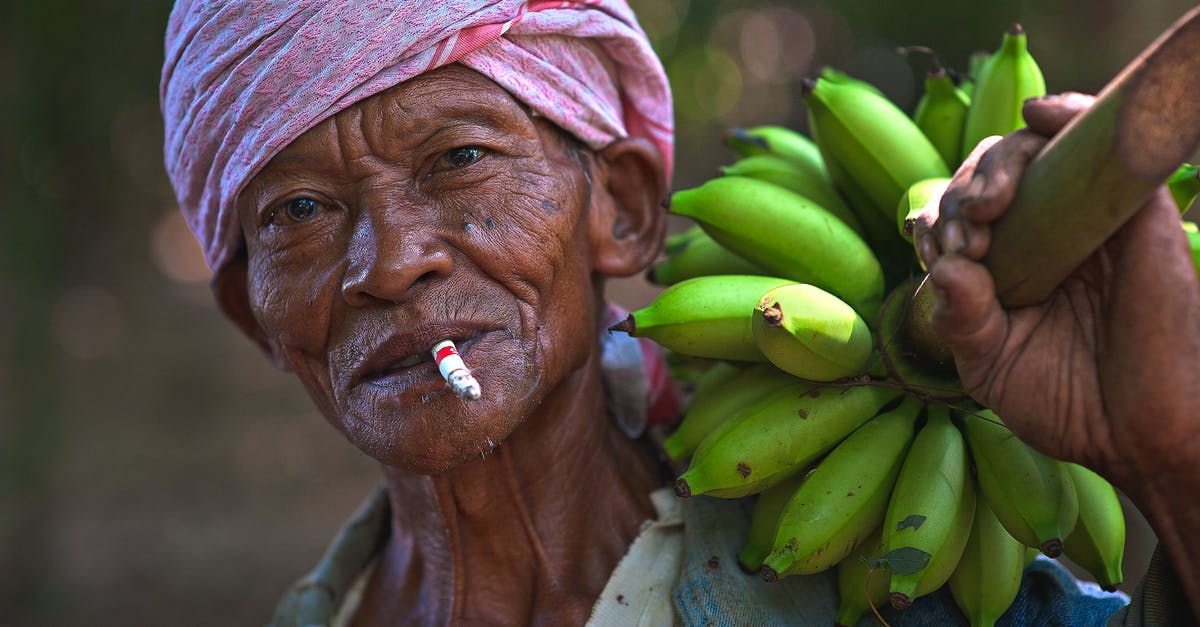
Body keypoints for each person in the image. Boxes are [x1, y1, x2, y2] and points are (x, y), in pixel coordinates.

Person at [159, 1, 1198, 625]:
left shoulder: (882, 591)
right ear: (258, 319)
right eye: (297, 211)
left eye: (459, 159)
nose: (389, 264)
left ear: (622, 209)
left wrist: (1174, 459)